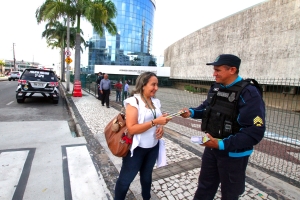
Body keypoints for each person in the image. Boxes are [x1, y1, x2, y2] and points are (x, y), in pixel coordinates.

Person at [180, 54, 265, 200]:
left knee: (230, 194)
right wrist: (191, 112)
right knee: (204, 187)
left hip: (233, 155)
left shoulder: (249, 93)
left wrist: (221, 144)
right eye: (214, 70)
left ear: (232, 70)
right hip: (212, 148)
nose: (214, 74)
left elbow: (255, 131)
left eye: (218, 70)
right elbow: (207, 108)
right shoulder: (216, 88)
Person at [114, 72, 172, 200]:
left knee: (146, 178)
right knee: (125, 180)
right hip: (136, 149)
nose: (156, 88)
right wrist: (155, 122)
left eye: (157, 85)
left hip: (153, 147)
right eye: (153, 84)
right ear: (143, 85)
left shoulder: (156, 102)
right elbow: (132, 128)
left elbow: (158, 120)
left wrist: (161, 126)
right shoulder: (133, 102)